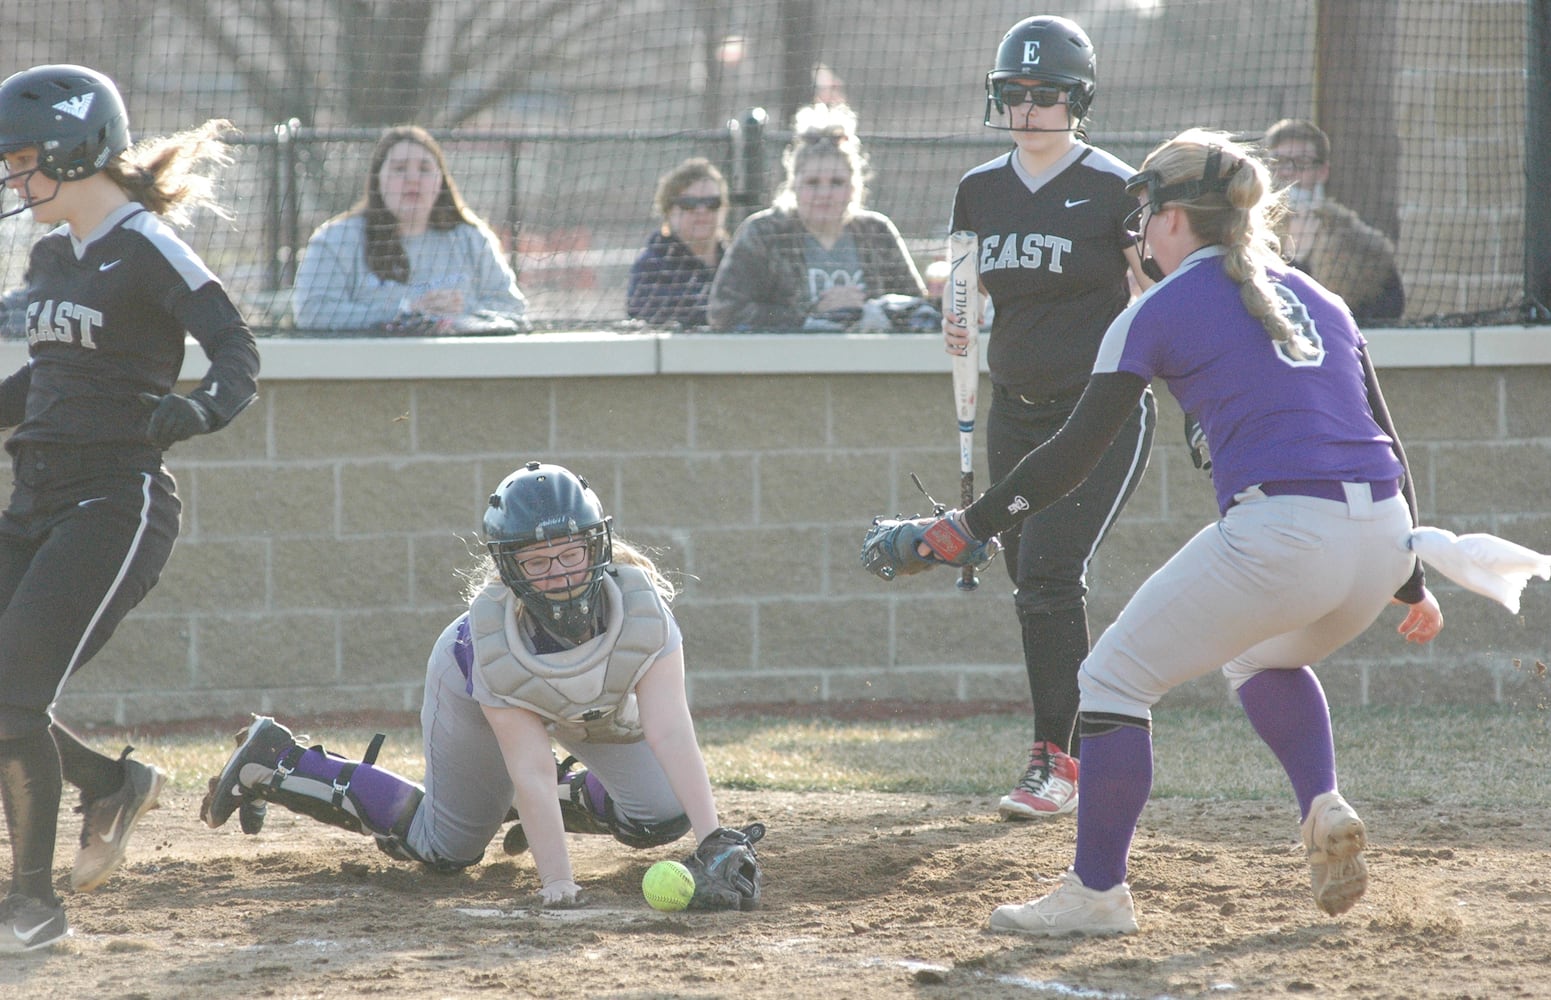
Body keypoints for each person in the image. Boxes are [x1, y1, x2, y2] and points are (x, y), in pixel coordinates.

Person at [863, 127, 1470, 936]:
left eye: (1145, 211)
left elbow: (1072, 455)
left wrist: (963, 528)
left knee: (1111, 681)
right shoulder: (1317, 296)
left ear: (1176, 217)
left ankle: (1096, 894)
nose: (1138, 230)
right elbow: (1386, 445)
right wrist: (1411, 583)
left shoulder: (1154, 307)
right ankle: (1322, 805)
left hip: (1288, 528)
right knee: (1261, 657)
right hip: (1385, 534)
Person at [200, 462, 764, 911]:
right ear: (508, 567)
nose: (561, 575)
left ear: (599, 548)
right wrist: (558, 883)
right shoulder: (493, 644)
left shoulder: (643, 615)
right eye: (538, 562)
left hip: (585, 708)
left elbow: (671, 731)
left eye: (572, 553)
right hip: (474, 697)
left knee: (662, 814)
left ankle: (546, 808)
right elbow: (531, 770)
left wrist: (714, 838)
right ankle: (277, 762)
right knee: (447, 851)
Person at [0, 64, 260, 951]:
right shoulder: (50, 255)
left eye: (25, 156)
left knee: (10, 700)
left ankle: (32, 908)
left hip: (115, 502)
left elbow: (234, 345)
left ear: (76, 149)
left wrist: (202, 407)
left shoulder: (146, 244)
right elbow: (50, 376)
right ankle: (111, 785)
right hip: (33, 498)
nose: (13, 175)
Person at [944, 15, 1157, 822]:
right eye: (1013, 94)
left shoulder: (1115, 186)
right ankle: (1090, 733)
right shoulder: (979, 188)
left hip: (1095, 418)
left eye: (1046, 95)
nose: (1028, 109)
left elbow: (1155, 291)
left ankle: (1055, 763)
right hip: (1013, 413)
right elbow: (963, 287)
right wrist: (953, 316)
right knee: (1027, 580)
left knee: (1046, 576)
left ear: (1078, 99)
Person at [708, 103, 927, 332]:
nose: (825, 194)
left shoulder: (876, 231)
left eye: (836, 183)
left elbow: (917, 309)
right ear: (794, 186)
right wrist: (812, 314)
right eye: (813, 183)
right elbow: (724, 311)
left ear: (854, 187)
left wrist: (870, 310)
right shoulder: (764, 233)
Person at [291, 125, 529, 335]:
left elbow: (512, 307)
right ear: (377, 180)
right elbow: (312, 312)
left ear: (440, 181)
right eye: (399, 168)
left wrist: (458, 320)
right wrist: (406, 313)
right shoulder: (335, 240)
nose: (412, 178)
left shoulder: (473, 239)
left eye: (424, 169)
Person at [1263, 118, 1404, 324]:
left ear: (1322, 172)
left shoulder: (1361, 245)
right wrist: (1296, 258)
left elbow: (1390, 309)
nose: (1288, 172)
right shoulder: (1247, 233)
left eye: (1302, 162)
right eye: (1279, 162)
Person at [626, 158, 729, 327]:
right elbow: (652, 313)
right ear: (668, 211)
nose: (702, 211)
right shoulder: (652, 265)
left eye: (712, 203)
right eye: (689, 204)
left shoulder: (739, 261)